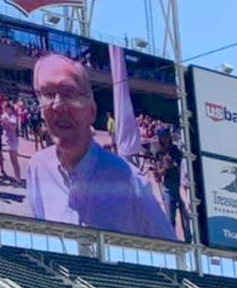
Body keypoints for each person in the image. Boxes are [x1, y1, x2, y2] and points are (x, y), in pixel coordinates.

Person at [26, 54, 175, 240]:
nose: (57, 105)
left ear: (91, 110)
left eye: (68, 93)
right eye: (47, 93)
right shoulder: (38, 168)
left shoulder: (129, 182)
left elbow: (173, 255)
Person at [155, 126, 191, 241]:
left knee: (185, 215)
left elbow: (179, 166)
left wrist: (168, 167)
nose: (165, 139)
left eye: (166, 136)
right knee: (170, 216)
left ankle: (189, 239)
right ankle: (172, 240)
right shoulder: (159, 152)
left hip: (179, 184)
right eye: (162, 137)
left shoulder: (176, 151)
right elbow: (159, 169)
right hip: (168, 185)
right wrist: (160, 172)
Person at [0, 101, 22, 187]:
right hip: (8, 139)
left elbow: (13, 126)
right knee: (12, 160)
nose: (5, 110)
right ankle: (17, 178)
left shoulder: (13, 116)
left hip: (13, 140)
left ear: (10, 108)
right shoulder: (4, 115)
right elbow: (3, 126)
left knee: (15, 160)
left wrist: (7, 121)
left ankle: (18, 179)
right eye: (4, 109)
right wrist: (3, 121)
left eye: (6, 108)